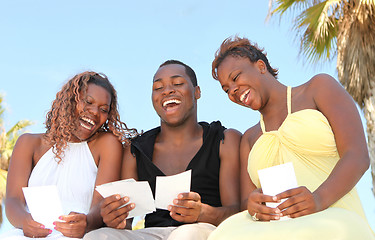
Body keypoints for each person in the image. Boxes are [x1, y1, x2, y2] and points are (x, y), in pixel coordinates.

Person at [205, 36, 375, 240]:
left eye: (235, 77)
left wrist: (318, 199)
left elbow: (357, 156)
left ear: (260, 66)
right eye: (226, 89)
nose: (232, 90)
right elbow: (247, 203)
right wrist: (254, 205)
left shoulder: (318, 89)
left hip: (334, 220)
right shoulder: (249, 139)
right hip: (277, 231)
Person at [83, 60, 242, 240]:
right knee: (99, 236)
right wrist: (116, 219)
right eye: (158, 88)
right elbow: (127, 222)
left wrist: (203, 213)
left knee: (185, 235)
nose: (167, 91)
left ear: (197, 92)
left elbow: (237, 212)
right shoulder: (136, 151)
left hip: (206, 231)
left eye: (178, 83)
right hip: (153, 234)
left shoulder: (224, 139)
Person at [3, 71, 138, 239]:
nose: (95, 112)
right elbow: (12, 200)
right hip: (29, 234)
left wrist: (87, 222)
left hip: (81, 235)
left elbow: (100, 204)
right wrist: (25, 222)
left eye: (104, 109)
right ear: (70, 101)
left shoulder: (107, 144)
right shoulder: (28, 143)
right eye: (88, 102)